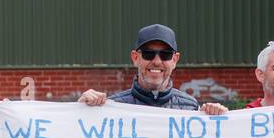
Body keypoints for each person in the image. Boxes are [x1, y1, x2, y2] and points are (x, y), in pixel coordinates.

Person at [76, 24, 229, 114]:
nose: (157, 61)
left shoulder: (190, 107)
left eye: (165, 54)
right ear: (135, 58)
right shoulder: (113, 107)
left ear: (175, 60)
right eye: (149, 54)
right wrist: (80, 111)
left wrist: (220, 118)